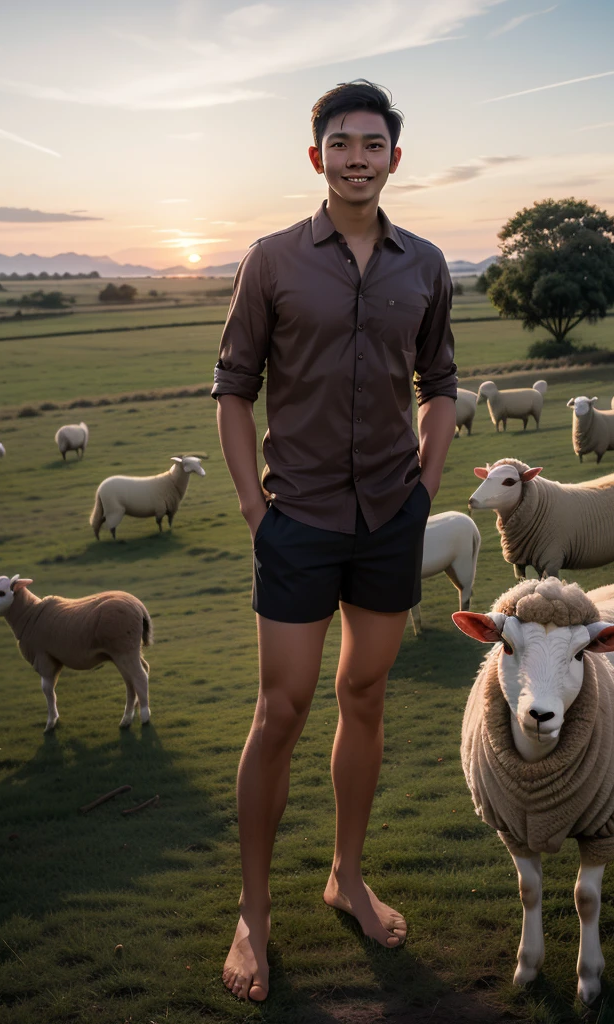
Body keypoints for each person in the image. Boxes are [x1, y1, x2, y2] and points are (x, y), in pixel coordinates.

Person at [212, 79, 457, 1002]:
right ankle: (254, 913)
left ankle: (346, 875)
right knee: (282, 710)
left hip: (389, 518)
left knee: (365, 691)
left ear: (397, 156)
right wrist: (252, 508)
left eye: (374, 143)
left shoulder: (426, 264)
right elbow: (234, 387)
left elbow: (440, 381)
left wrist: (426, 489)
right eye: (341, 144)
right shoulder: (272, 261)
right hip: (297, 519)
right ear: (316, 158)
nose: (358, 157)